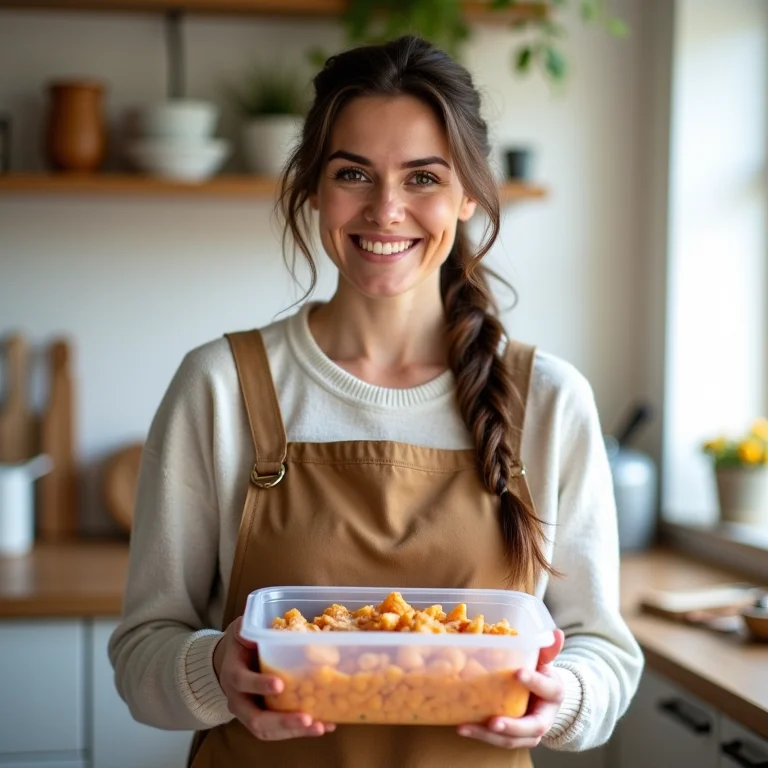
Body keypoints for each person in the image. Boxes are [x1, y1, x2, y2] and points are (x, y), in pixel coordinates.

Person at [109, 34, 643, 768]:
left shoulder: (548, 400)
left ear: (467, 195)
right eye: (354, 172)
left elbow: (605, 651)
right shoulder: (221, 386)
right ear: (313, 189)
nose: (386, 210)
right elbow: (142, 653)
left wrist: (566, 695)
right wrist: (214, 673)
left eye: (423, 177)